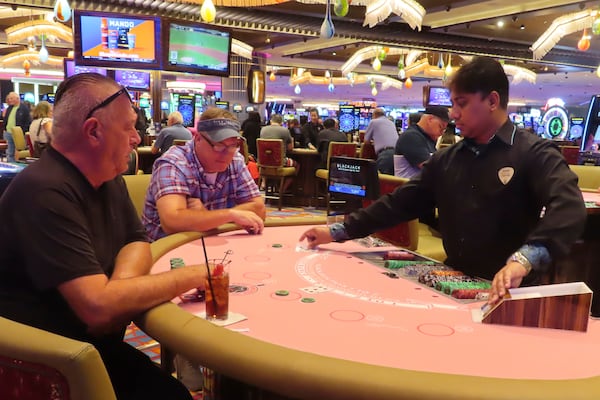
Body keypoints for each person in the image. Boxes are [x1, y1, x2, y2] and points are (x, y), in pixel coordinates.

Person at [300, 56, 587, 306]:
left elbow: (569, 207)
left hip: (512, 292)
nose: (453, 114)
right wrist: (339, 231)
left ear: (492, 101)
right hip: (454, 283)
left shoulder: (534, 152)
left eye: (461, 103)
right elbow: (398, 204)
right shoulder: (446, 159)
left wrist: (522, 261)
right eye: (452, 104)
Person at [0, 73, 204, 400]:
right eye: (129, 128)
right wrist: (193, 276)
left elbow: (137, 241)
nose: (138, 138)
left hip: (91, 348)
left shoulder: (106, 175)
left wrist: (116, 290)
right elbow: (97, 310)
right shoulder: (44, 191)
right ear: (94, 131)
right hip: (46, 369)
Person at [143, 107, 265, 242]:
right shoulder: (173, 163)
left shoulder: (235, 159)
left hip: (210, 242)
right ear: (198, 138)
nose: (226, 153)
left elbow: (259, 209)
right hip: (165, 249)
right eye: (219, 145)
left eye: (233, 145)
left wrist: (205, 216)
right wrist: (229, 215)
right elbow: (172, 222)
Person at [394, 106, 449, 178]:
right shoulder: (411, 136)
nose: (441, 133)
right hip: (409, 187)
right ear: (430, 119)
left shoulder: (427, 138)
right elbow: (431, 168)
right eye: (440, 127)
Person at [259, 113, 299, 193]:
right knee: (297, 165)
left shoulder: (263, 130)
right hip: (280, 163)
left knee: (268, 166)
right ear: (281, 123)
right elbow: (290, 148)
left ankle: (264, 183)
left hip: (263, 164)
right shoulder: (285, 130)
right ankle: (282, 190)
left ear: (271, 121)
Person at [364, 108, 398, 175]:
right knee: (392, 181)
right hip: (397, 154)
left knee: (380, 180)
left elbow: (366, 141)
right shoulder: (391, 123)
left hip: (385, 155)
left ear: (374, 115)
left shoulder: (374, 122)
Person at [2, 91, 32, 163]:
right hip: (8, 132)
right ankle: (10, 167)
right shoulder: (9, 108)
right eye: (9, 98)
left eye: (11, 98)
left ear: (17, 98)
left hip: (18, 134)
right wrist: (4, 129)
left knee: (18, 152)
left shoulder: (24, 108)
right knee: (9, 152)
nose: (9, 100)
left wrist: (23, 132)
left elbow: (27, 122)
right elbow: (6, 119)